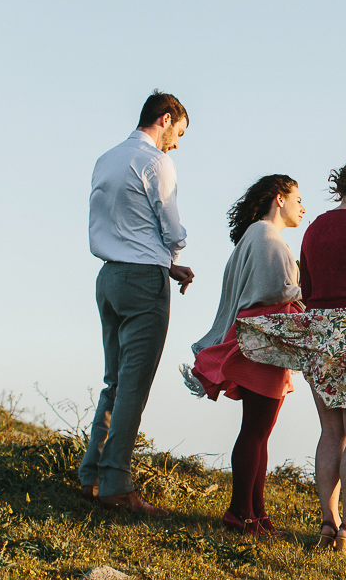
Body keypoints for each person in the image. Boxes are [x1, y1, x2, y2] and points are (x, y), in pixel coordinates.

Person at [237, 156, 346, 554]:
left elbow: (307, 289)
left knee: (331, 432)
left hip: (321, 332)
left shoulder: (312, 229)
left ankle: (328, 527)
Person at [79, 90, 195, 515]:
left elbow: (124, 226)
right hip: (142, 282)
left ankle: (92, 474)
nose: (177, 142)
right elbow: (170, 227)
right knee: (134, 385)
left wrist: (165, 265)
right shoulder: (157, 162)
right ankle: (116, 484)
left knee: (114, 381)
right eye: (178, 132)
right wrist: (173, 256)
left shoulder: (105, 158)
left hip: (108, 277)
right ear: (165, 119)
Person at [182, 175, 305, 535]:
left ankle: (256, 514)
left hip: (254, 339)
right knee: (255, 432)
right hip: (262, 341)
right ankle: (240, 513)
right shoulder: (268, 237)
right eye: (298, 198)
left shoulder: (254, 236)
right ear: (279, 199)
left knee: (257, 432)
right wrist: (310, 288)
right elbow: (274, 291)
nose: (302, 207)